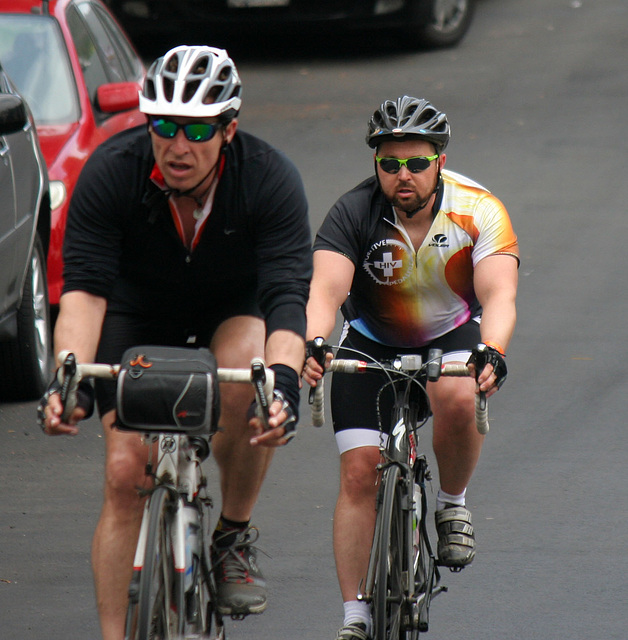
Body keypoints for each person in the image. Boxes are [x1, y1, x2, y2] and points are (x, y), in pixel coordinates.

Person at [37, 45, 312, 640]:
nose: (176, 144)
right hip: (138, 311)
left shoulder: (268, 178)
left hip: (229, 305)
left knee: (250, 374)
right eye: (162, 124)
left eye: (195, 129)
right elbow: (83, 293)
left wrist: (284, 384)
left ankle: (231, 536)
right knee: (124, 472)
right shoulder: (113, 171)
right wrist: (71, 377)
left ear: (228, 129)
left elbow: (287, 299)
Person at [303, 96, 518, 640]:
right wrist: (316, 340)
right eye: (390, 163)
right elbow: (324, 289)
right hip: (372, 342)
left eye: (417, 163)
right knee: (358, 474)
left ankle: (452, 504)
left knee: (459, 395)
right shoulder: (353, 212)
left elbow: (499, 294)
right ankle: (355, 615)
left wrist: (491, 347)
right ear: (376, 163)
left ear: (439, 161)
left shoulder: (479, 209)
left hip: (450, 336)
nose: (403, 175)